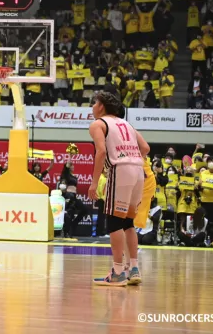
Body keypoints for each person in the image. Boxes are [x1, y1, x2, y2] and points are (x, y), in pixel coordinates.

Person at [88, 90, 149, 287]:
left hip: (120, 169)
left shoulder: (98, 124)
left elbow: (102, 152)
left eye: (94, 103)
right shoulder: (127, 124)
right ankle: (133, 268)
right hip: (138, 170)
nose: (92, 107)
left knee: (114, 222)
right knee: (128, 222)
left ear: (101, 106)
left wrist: (94, 183)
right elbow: (146, 148)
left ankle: (117, 272)